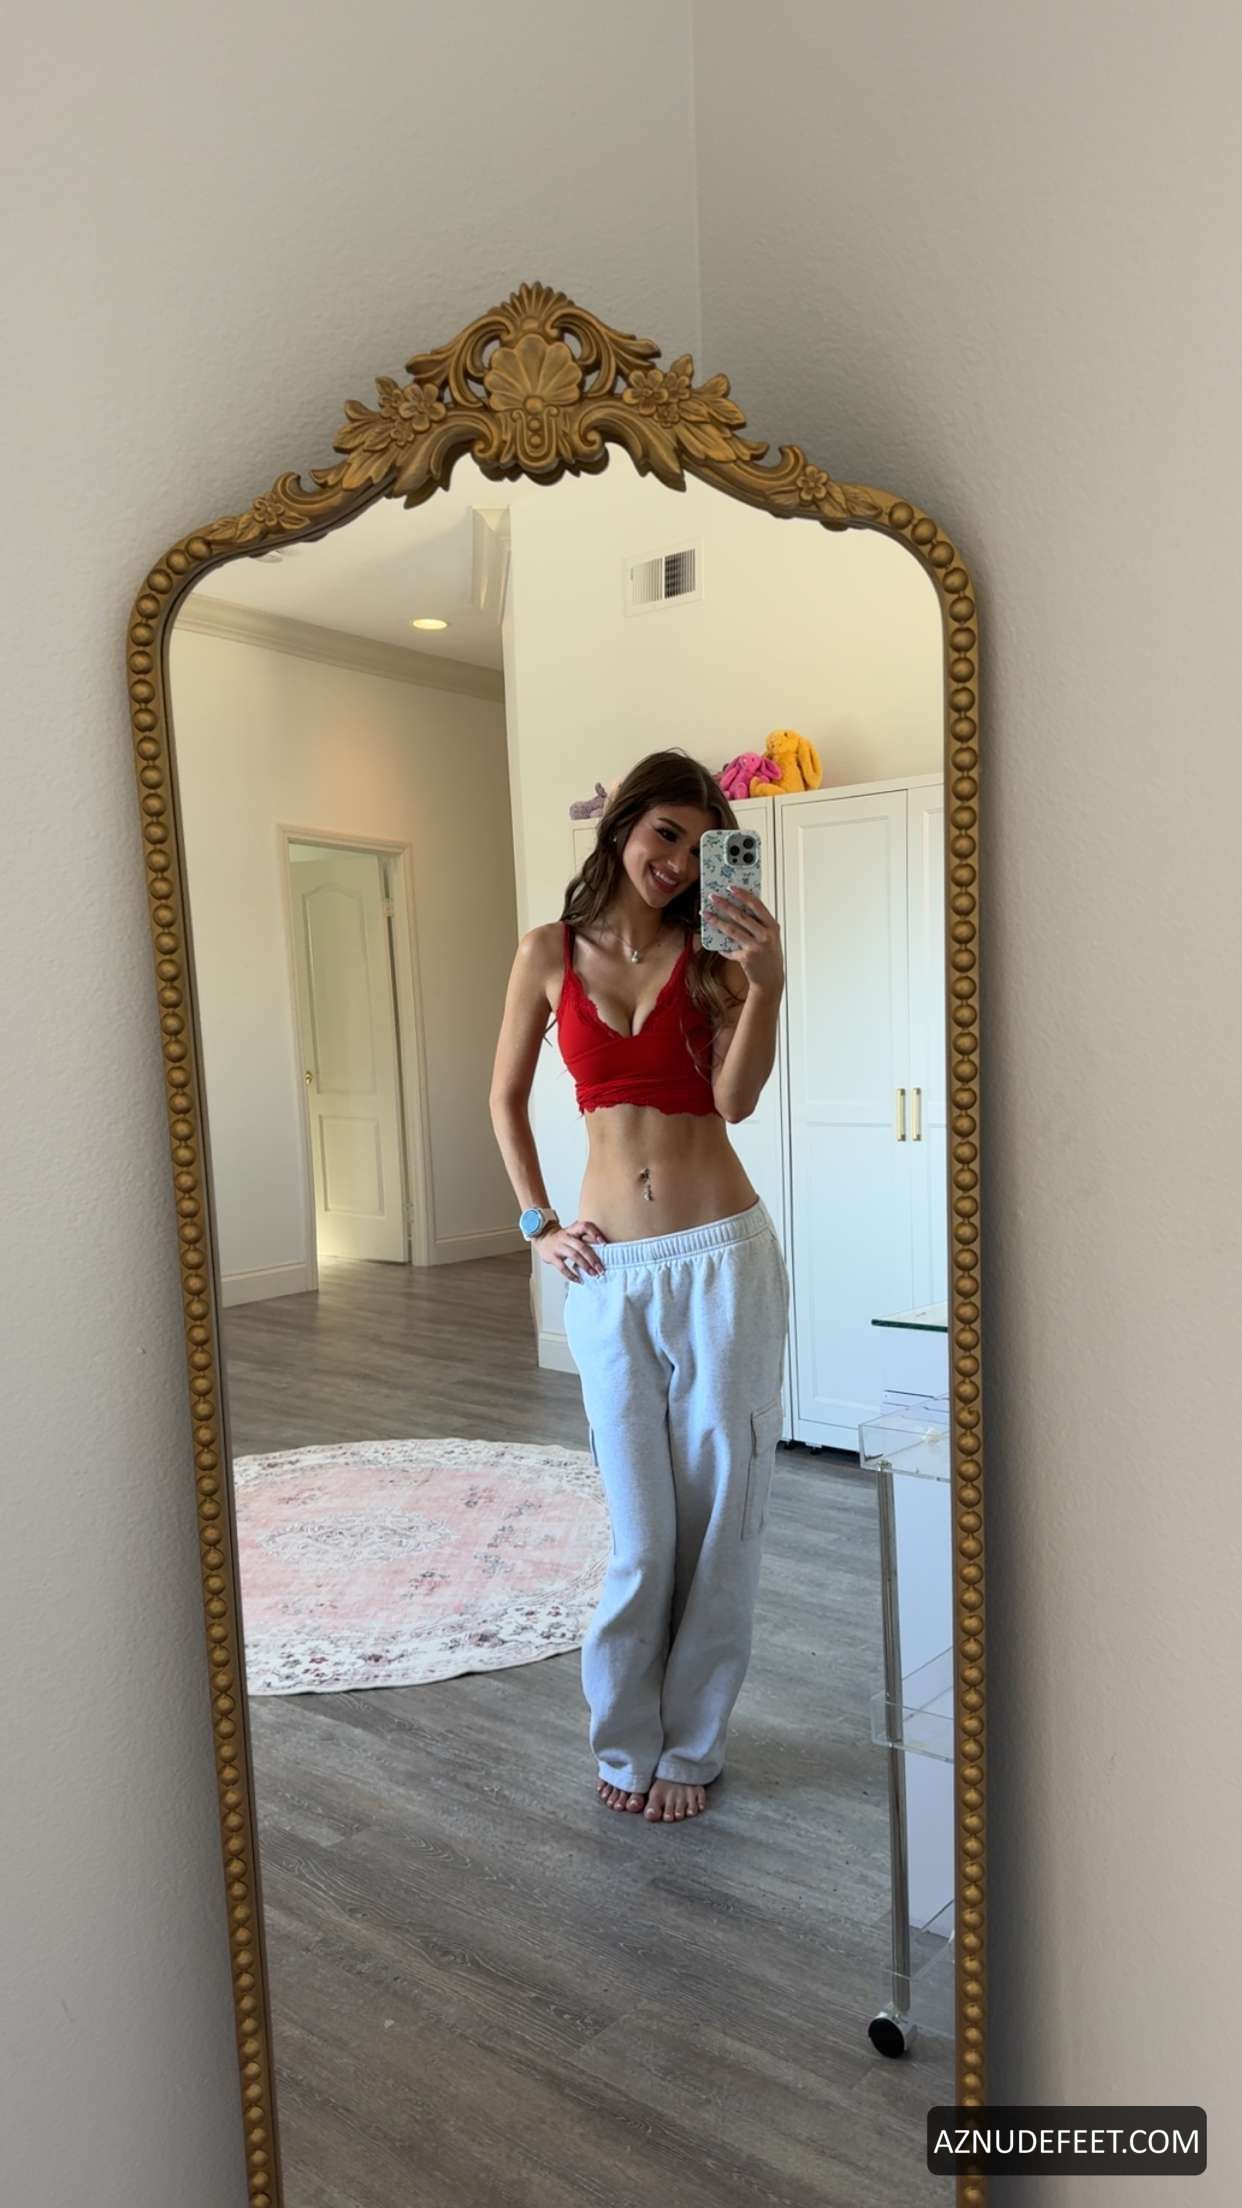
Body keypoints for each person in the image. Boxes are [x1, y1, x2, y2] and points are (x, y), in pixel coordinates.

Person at [489, 749, 789, 1825]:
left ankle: (692, 1748)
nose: (679, 863)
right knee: (641, 1533)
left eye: (704, 849)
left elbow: (735, 1102)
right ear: (622, 826)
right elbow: (506, 1099)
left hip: (721, 1259)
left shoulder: (714, 958)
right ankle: (625, 1737)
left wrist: (767, 984)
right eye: (667, 834)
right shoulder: (547, 952)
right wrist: (537, 1223)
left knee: (721, 1522)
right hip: (609, 1273)